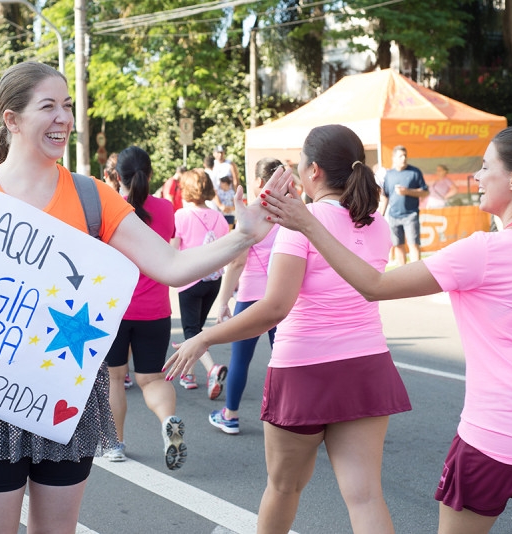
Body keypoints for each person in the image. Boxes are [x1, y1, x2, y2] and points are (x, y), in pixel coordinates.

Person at [0, 61, 287, 534]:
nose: (63, 118)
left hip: (66, 395)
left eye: (67, 106)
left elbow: (171, 265)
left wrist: (244, 235)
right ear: (12, 119)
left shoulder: (91, 197)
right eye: (48, 106)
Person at [260, 125, 512, 534]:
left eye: (486, 168)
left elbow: (373, 286)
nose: (477, 177)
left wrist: (308, 225)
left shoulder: (482, 251)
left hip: (493, 440)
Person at [166, 125, 410, 534]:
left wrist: (204, 336)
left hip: (304, 368)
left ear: (313, 171)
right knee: (366, 495)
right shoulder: (377, 224)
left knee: (283, 488)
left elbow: (275, 307)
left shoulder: (304, 222)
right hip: (367, 363)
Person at [102, 145, 186, 469]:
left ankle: (115, 444)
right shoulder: (166, 210)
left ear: (116, 177)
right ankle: (168, 420)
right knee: (152, 380)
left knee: (114, 378)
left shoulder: (110, 209)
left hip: (116, 309)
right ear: (150, 175)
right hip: (156, 310)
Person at [208, 158, 282, 435]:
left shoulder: (252, 214)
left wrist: (223, 300)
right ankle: (295, 416)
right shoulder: (294, 213)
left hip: (252, 296)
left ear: (259, 183)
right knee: (285, 360)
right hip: (283, 296)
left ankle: (231, 415)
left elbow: (237, 262)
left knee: (241, 359)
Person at [171, 169, 229, 397]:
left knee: (192, 330)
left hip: (190, 278)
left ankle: (211, 369)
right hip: (214, 279)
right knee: (195, 330)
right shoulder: (220, 218)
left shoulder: (180, 216)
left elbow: (173, 249)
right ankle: (188, 375)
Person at [380, 145, 428, 264]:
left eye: (405, 155)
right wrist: (380, 215)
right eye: (400, 156)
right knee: (398, 246)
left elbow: (425, 192)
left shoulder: (414, 172)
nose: (404, 158)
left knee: (413, 245)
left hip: (411, 215)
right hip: (393, 217)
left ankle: (417, 274)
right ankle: (403, 275)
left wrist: (407, 191)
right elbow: (385, 196)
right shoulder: (389, 174)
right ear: (394, 158)